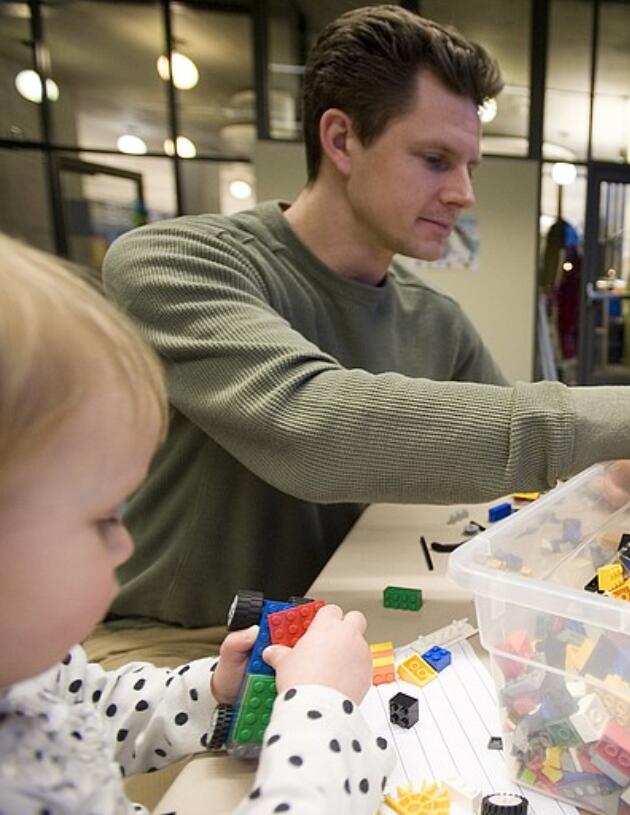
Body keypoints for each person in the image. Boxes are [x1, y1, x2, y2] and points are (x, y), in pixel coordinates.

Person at [96, 6, 630, 665]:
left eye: (469, 164)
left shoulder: (436, 319)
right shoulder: (172, 263)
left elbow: (515, 448)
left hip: (340, 632)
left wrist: (610, 471)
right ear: (340, 140)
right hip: (182, 647)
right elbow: (313, 425)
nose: (464, 193)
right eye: (436, 159)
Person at [0, 234, 390, 813]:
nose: (125, 543)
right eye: (102, 518)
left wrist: (210, 689)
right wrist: (321, 712)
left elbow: (92, 709)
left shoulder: (25, 669)